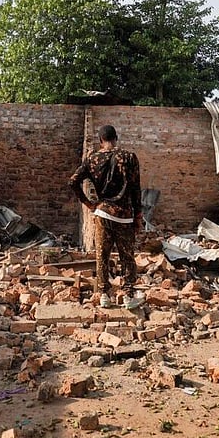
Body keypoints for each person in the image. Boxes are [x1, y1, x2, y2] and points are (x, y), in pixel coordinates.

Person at [69, 125, 142, 308]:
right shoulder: (129, 157)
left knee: (102, 254)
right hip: (124, 216)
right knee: (127, 256)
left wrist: (89, 204)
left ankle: (104, 295)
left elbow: (73, 182)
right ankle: (128, 295)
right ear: (116, 138)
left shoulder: (92, 158)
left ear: (101, 140)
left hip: (102, 212)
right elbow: (135, 189)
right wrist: (138, 215)